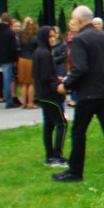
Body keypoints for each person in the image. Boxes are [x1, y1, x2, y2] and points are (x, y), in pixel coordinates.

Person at [51, 6, 104, 185]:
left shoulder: (80, 39)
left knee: (78, 132)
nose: (70, 23)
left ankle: (75, 172)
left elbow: (80, 68)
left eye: (72, 19)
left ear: (80, 20)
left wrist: (65, 86)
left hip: (88, 95)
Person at [32, 26, 67, 168]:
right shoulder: (44, 53)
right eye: (50, 36)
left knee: (48, 124)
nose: (53, 39)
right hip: (49, 94)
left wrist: (55, 78)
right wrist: (58, 85)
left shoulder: (39, 52)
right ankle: (56, 156)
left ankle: (49, 155)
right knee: (61, 123)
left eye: (54, 36)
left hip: (41, 93)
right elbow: (47, 77)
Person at [17, 17, 39, 109]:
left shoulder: (21, 35)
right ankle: (30, 103)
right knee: (31, 83)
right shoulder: (35, 37)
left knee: (23, 83)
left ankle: (24, 103)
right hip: (31, 60)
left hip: (21, 60)